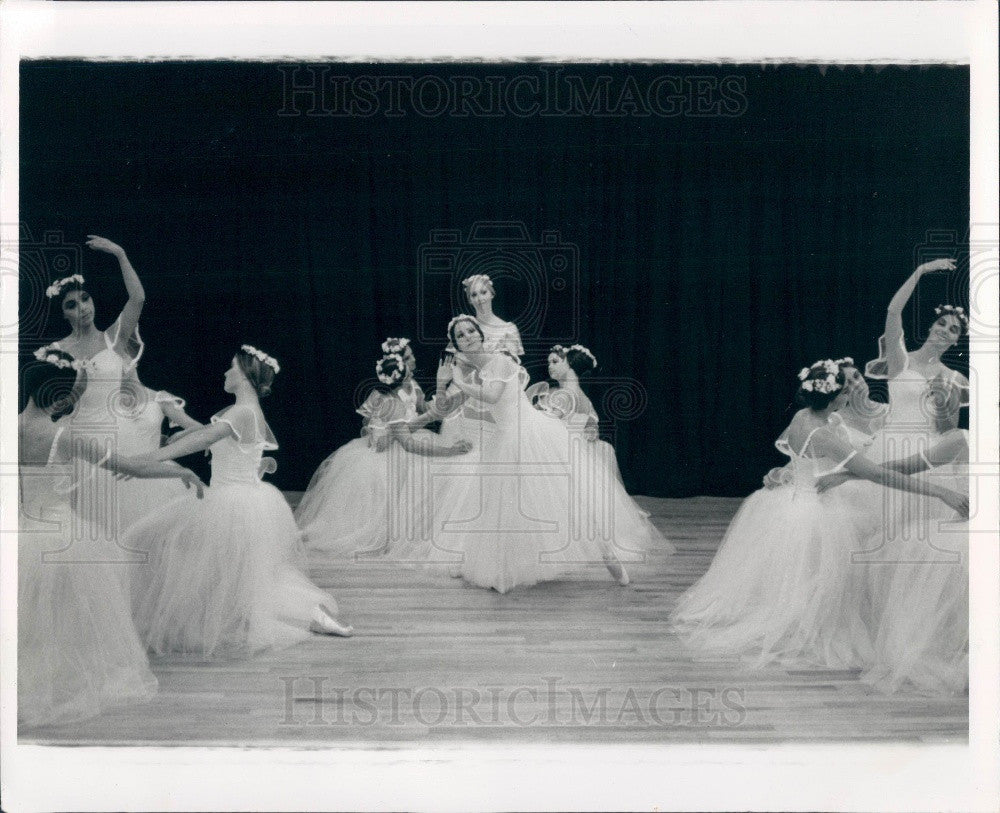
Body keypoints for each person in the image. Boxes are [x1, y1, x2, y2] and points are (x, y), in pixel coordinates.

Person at [671, 359, 968, 670]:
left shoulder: (803, 417)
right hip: (818, 510)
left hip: (790, 503)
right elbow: (877, 474)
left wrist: (783, 474)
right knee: (821, 578)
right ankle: (804, 629)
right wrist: (940, 491)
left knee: (794, 580)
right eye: (845, 389)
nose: (849, 393)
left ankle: (795, 621)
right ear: (836, 398)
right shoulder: (826, 435)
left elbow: (800, 459)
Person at [124, 345, 353, 657]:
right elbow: (213, 435)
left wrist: (146, 459)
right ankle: (312, 616)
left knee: (191, 556)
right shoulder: (245, 410)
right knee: (241, 575)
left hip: (230, 503)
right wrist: (181, 423)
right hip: (245, 500)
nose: (225, 373)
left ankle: (309, 616)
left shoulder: (241, 412)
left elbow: (206, 438)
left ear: (244, 374)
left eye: (231, 367)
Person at [18, 349, 203, 727]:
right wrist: (178, 469)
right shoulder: (63, 437)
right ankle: (61, 680)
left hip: (22, 534)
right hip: (60, 538)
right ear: (53, 396)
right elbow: (131, 466)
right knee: (68, 616)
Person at [410, 316, 632, 593]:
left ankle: (608, 556)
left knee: (561, 499)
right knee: (499, 505)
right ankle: (500, 570)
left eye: (471, 331)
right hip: (503, 439)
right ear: (455, 345)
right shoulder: (470, 373)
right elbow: (444, 407)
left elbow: (491, 396)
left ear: (480, 335)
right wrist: (443, 384)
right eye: (461, 335)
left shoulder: (499, 361)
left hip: (530, 434)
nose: (468, 336)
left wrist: (457, 380)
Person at [295, 349, 472, 558]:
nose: (413, 360)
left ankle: (409, 535)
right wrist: (449, 450)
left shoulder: (412, 387)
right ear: (402, 370)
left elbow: (427, 412)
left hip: (402, 440)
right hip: (388, 451)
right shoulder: (390, 402)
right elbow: (407, 443)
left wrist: (457, 392)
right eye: (406, 358)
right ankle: (392, 539)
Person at [526, 343, 672, 561]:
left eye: (556, 362)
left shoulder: (565, 394)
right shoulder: (577, 393)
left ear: (571, 365)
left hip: (564, 455)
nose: (550, 367)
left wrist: (525, 405)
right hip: (576, 452)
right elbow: (590, 421)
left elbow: (546, 422)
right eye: (548, 362)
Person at [48, 236, 147, 546]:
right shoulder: (55, 351)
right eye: (72, 305)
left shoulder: (113, 339)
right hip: (79, 440)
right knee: (88, 528)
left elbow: (138, 298)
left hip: (120, 436)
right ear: (63, 313)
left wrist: (120, 252)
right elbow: (50, 405)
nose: (82, 308)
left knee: (126, 521)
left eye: (85, 299)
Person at [865, 258, 969, 461]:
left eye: (953, 329)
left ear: (956, 341)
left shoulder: (954, 377)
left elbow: (948, 432)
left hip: (927, 453)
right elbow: (893, 312)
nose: (945, 330)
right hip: (889, 449)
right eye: (941, 323)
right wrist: (921, 270)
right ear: (932, 327)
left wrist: (940, 403)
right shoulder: (901, 360)